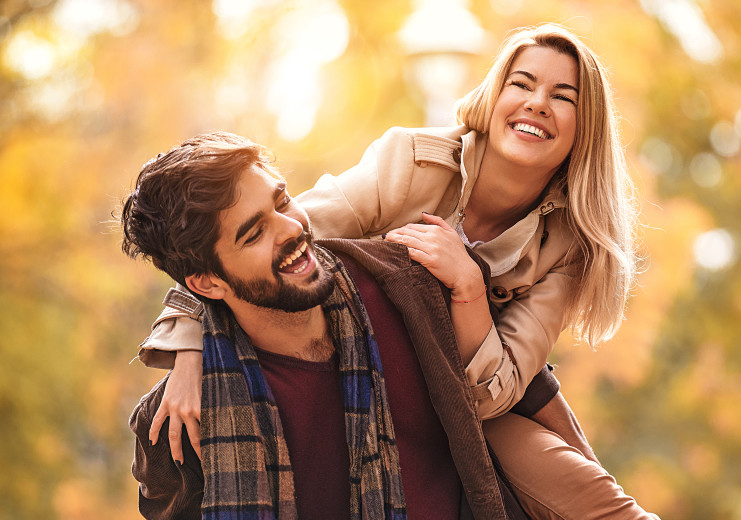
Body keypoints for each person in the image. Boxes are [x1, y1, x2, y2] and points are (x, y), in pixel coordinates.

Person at [136, 24, 657, 518]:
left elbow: (499, 393)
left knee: (591, 491)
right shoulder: (413, 161)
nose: (538, 103)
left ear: (584, 127)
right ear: (493, 96)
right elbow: (277, 241)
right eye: (521, 84)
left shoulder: (572, 244)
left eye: (563, 96)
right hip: (369, 339)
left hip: (485, 392)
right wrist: (186, 350)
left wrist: (470, 287)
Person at [122, 131, 532, 518]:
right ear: (207, 282)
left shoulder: (407, 285)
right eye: (254, 234)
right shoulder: (177, 426)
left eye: (282, 202)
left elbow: (528, 390)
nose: (291, 228)